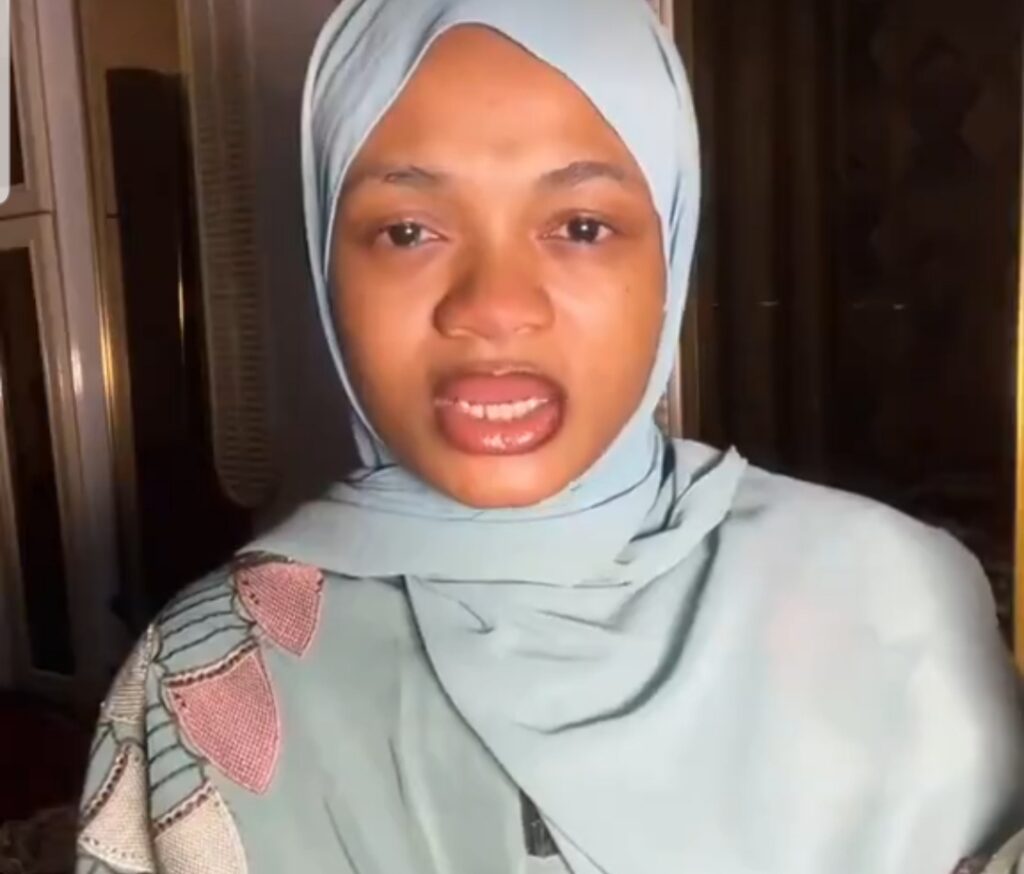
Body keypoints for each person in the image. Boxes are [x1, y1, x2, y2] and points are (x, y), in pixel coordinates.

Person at [74, 1, 1024, 872]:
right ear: (328, 260)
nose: (495, 307)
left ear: (672, 246)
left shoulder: (896, 597)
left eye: (580, 225)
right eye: (407, 232)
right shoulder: (199, 675)